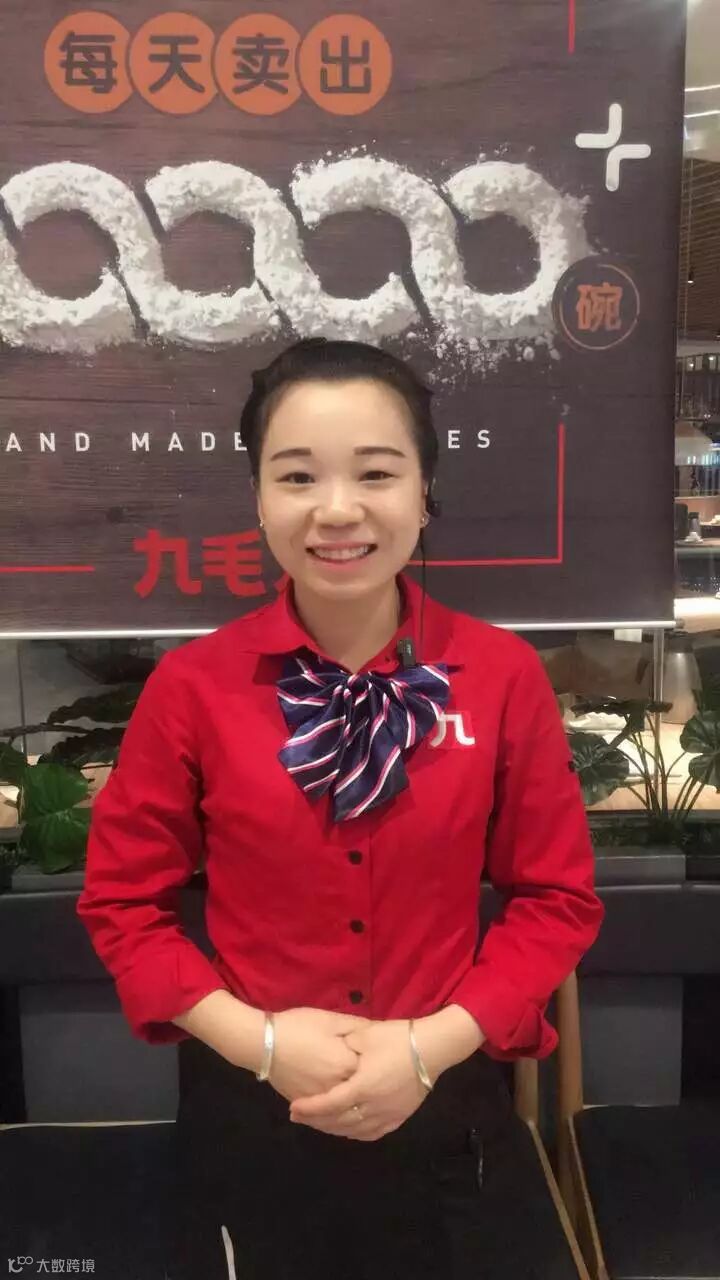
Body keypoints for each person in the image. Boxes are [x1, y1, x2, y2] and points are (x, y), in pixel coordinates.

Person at [76, 337, 604, 1280]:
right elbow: (122, 903)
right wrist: (261, 1041)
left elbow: (555, 899)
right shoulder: (192, 687)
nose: (336, 509)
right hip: (252, 1105)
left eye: (376, 473)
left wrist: (429, 1048)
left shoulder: (502, 675)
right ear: (258, 498)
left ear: (424, 491)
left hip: (446, 1098)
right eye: (297, 476)